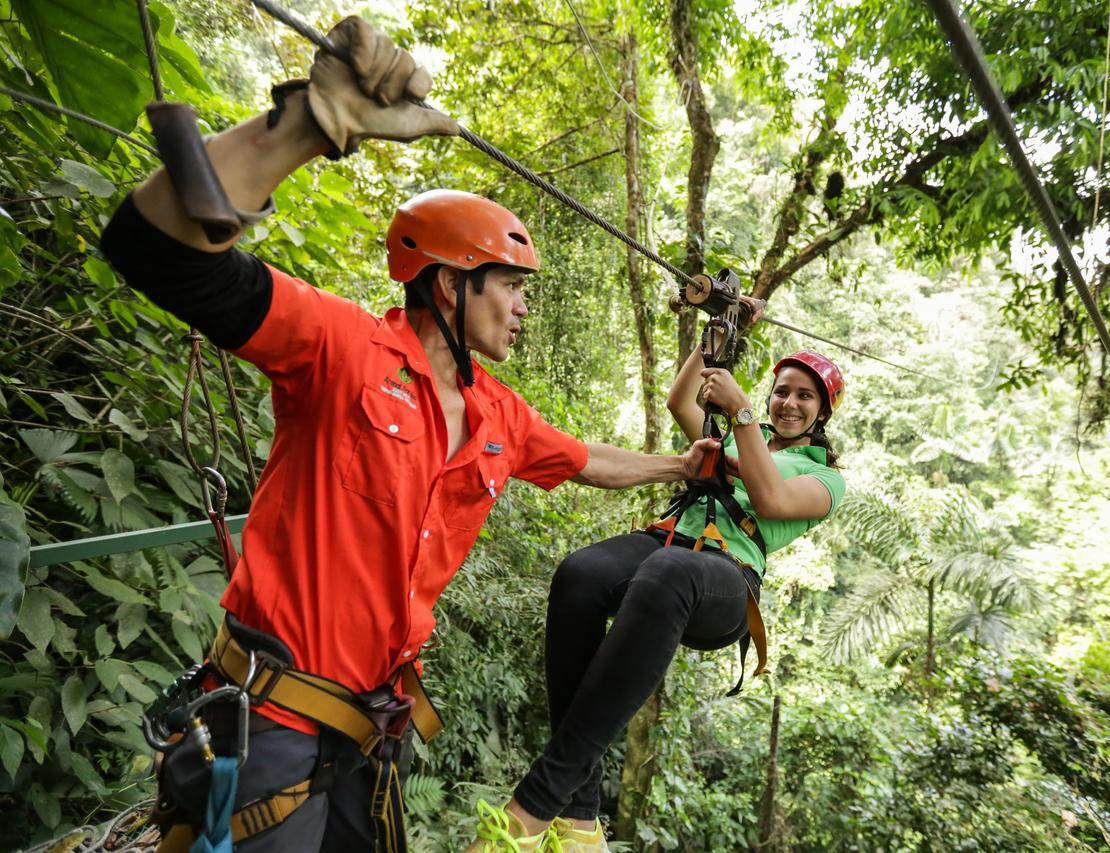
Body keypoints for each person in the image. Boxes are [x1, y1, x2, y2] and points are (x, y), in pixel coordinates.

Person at [99, 17, 721, 852]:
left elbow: (587, 461)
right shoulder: (343, 348)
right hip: (274, 723)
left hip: (366, 734)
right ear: (450, 283)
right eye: (510, 285)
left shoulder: (498, 414)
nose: (524, 307)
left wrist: (677, 462)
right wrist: (309, 126)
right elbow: (157, 248)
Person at [466, 342, 848, 852]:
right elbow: (681, 402)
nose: (790, 403)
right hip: (665, 545)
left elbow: (771, 498)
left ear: (822, 412)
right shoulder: (740, 443)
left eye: (805, 396)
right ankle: (579, 821)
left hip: (724, 579)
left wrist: (741, 411)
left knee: (672, 569)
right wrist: (711, 341)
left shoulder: (826, 478)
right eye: (782, 391)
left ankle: (533, 806)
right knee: (580, 574)